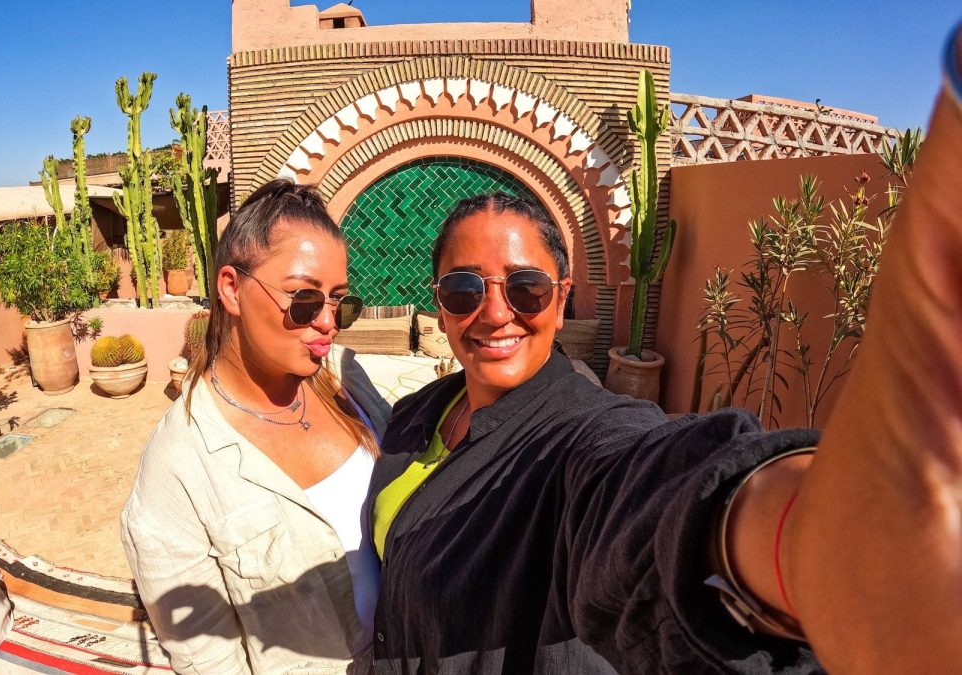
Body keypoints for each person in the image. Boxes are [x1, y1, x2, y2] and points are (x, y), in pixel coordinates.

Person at [367, 22, 962, 674]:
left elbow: (646, 489)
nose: (495, 312)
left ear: (562, 297)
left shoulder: (578, 436)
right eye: (463, 289)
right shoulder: (416, 414)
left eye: (527, 288)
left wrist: (804, 539)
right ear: (439, 300)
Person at [121, 179, 391, 674]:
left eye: (340, 302)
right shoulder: (178, 471)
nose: (328, 322)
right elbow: (208, 658)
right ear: (231, 288)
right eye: (305, 299)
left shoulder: (345, 378)